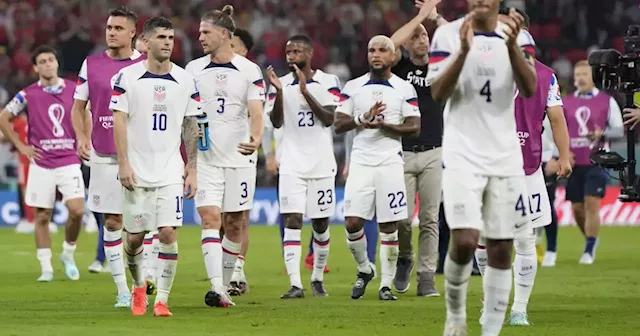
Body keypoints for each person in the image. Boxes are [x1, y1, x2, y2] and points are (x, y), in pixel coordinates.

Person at [427, 1, 538, 333]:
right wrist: (462, 52)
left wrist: (511, 47)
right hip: (462, 153)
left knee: (501, 247)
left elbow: (530, 88)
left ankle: (490, 330)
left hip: (504, 155)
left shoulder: (519, 36)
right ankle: (455, 315)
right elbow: (437, 92)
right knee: (464, 239)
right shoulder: (447, 34)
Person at [473, 10, 573, 326]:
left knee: (522, 239)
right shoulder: (487, 69)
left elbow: (557, 117)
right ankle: (496, 303)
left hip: (525, 168)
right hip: (491, 164)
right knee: (485, 239)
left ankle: (518, 308)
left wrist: (565, 154)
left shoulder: (544, 77)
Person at [110, 16, 200, 317]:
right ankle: (138, 286)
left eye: (171, 38)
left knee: (167, 233)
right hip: (136, 169)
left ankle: (161, 299)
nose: (167, 43)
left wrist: (192, 168)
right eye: (161, 37)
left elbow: (191, 124)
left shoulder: (186, 80)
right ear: (146, 42)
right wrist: (123, 163)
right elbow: (118, 121)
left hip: (170, 170)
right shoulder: (126, 77)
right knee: (134, 239)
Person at [186, 5, 264, 308]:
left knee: (234, 223)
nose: (200, 36)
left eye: (206, 32)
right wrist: (190, 162)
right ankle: (218, 287)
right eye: (199, 32)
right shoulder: (192, 70)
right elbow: (188, 120)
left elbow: (256, 111)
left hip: (240, 159)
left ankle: (226, 281)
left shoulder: (249, 70)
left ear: (223, 35)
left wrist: (255, 138)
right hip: (206, 160)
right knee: (210, 218)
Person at [334, 35, 421, 301]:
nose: (376, 54)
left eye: (383, 50)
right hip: (361, 161)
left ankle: (385, 284)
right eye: (372, 50)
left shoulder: (404, 88)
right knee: (352, 223)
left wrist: (385, 126)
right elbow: (338, 123)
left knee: (389, 225)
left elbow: (414, 127)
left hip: (390, 162)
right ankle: (364, 269)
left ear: (393, 56)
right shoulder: (353, 86)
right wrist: (363, 118)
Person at [71, 6, 145, 308]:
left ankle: (142, 281)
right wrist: (81, 137)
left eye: (118, 28)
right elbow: (78, 107)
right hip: (103, 154)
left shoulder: (146, 64)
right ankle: (122, 290)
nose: (111, 32)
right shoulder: (91, 64)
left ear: (132, 33)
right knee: (112, 222)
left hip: (140, 155)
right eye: (109, 27)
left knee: (140, 227)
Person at [0, 45, 85, 282]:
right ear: (35, 67)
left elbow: (86, 113)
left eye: (51, 60)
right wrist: (21, 146)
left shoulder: (75, 90)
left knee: (77, 211)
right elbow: (3, 118)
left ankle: (68, 253)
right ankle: (46, 268)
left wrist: (84, 139)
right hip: (41, 162)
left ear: (57, 63)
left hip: (68, 160)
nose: (48, 64)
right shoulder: (27, 94)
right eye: (42, 61)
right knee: (42, 216)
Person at [266, 34, 339, 298]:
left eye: (296, 51)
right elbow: (275, 123)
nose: (291, 55)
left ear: (309, 54)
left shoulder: (329, 81)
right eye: (288, 51)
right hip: (292, 164)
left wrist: (305, 92)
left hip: (321, 163)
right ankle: (296, 284)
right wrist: (279, 93)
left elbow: (330, 119)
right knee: (292, 220)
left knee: (320, 224)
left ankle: (317, 277)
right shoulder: (280, 84)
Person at [389, 0, 447, 296]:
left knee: (430, 218)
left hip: (434, 151)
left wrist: (435, 18)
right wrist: (419, 18)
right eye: (415, 36)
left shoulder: (442, 64)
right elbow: (388, 44)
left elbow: (466, 46)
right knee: (400, 218)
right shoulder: (399, 68)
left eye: (424, 35)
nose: (420, 39)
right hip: (402, 151)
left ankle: (427, 277)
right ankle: (405, 257)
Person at [562, 60, 623, 265]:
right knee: (577, 208)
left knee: (591, 202)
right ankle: (591, 239)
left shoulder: (607, 101)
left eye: (584, 74)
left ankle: (588, 249)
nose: (580, 78)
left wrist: (602, 133)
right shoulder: (566, 102)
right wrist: (561, 153)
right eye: (577, 74)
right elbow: (558, 130)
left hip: (597, 160)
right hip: (574, 163)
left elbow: (619, 129)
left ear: (592, 76)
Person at [226, 27, 255, 295]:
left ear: (244, 50)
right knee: (222, 217)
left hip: (244, 151)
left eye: (233, 44)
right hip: (216, 153)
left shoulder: (249, 73)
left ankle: (238, 271)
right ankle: (224, 269)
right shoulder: (211, 69)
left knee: (240, 215)